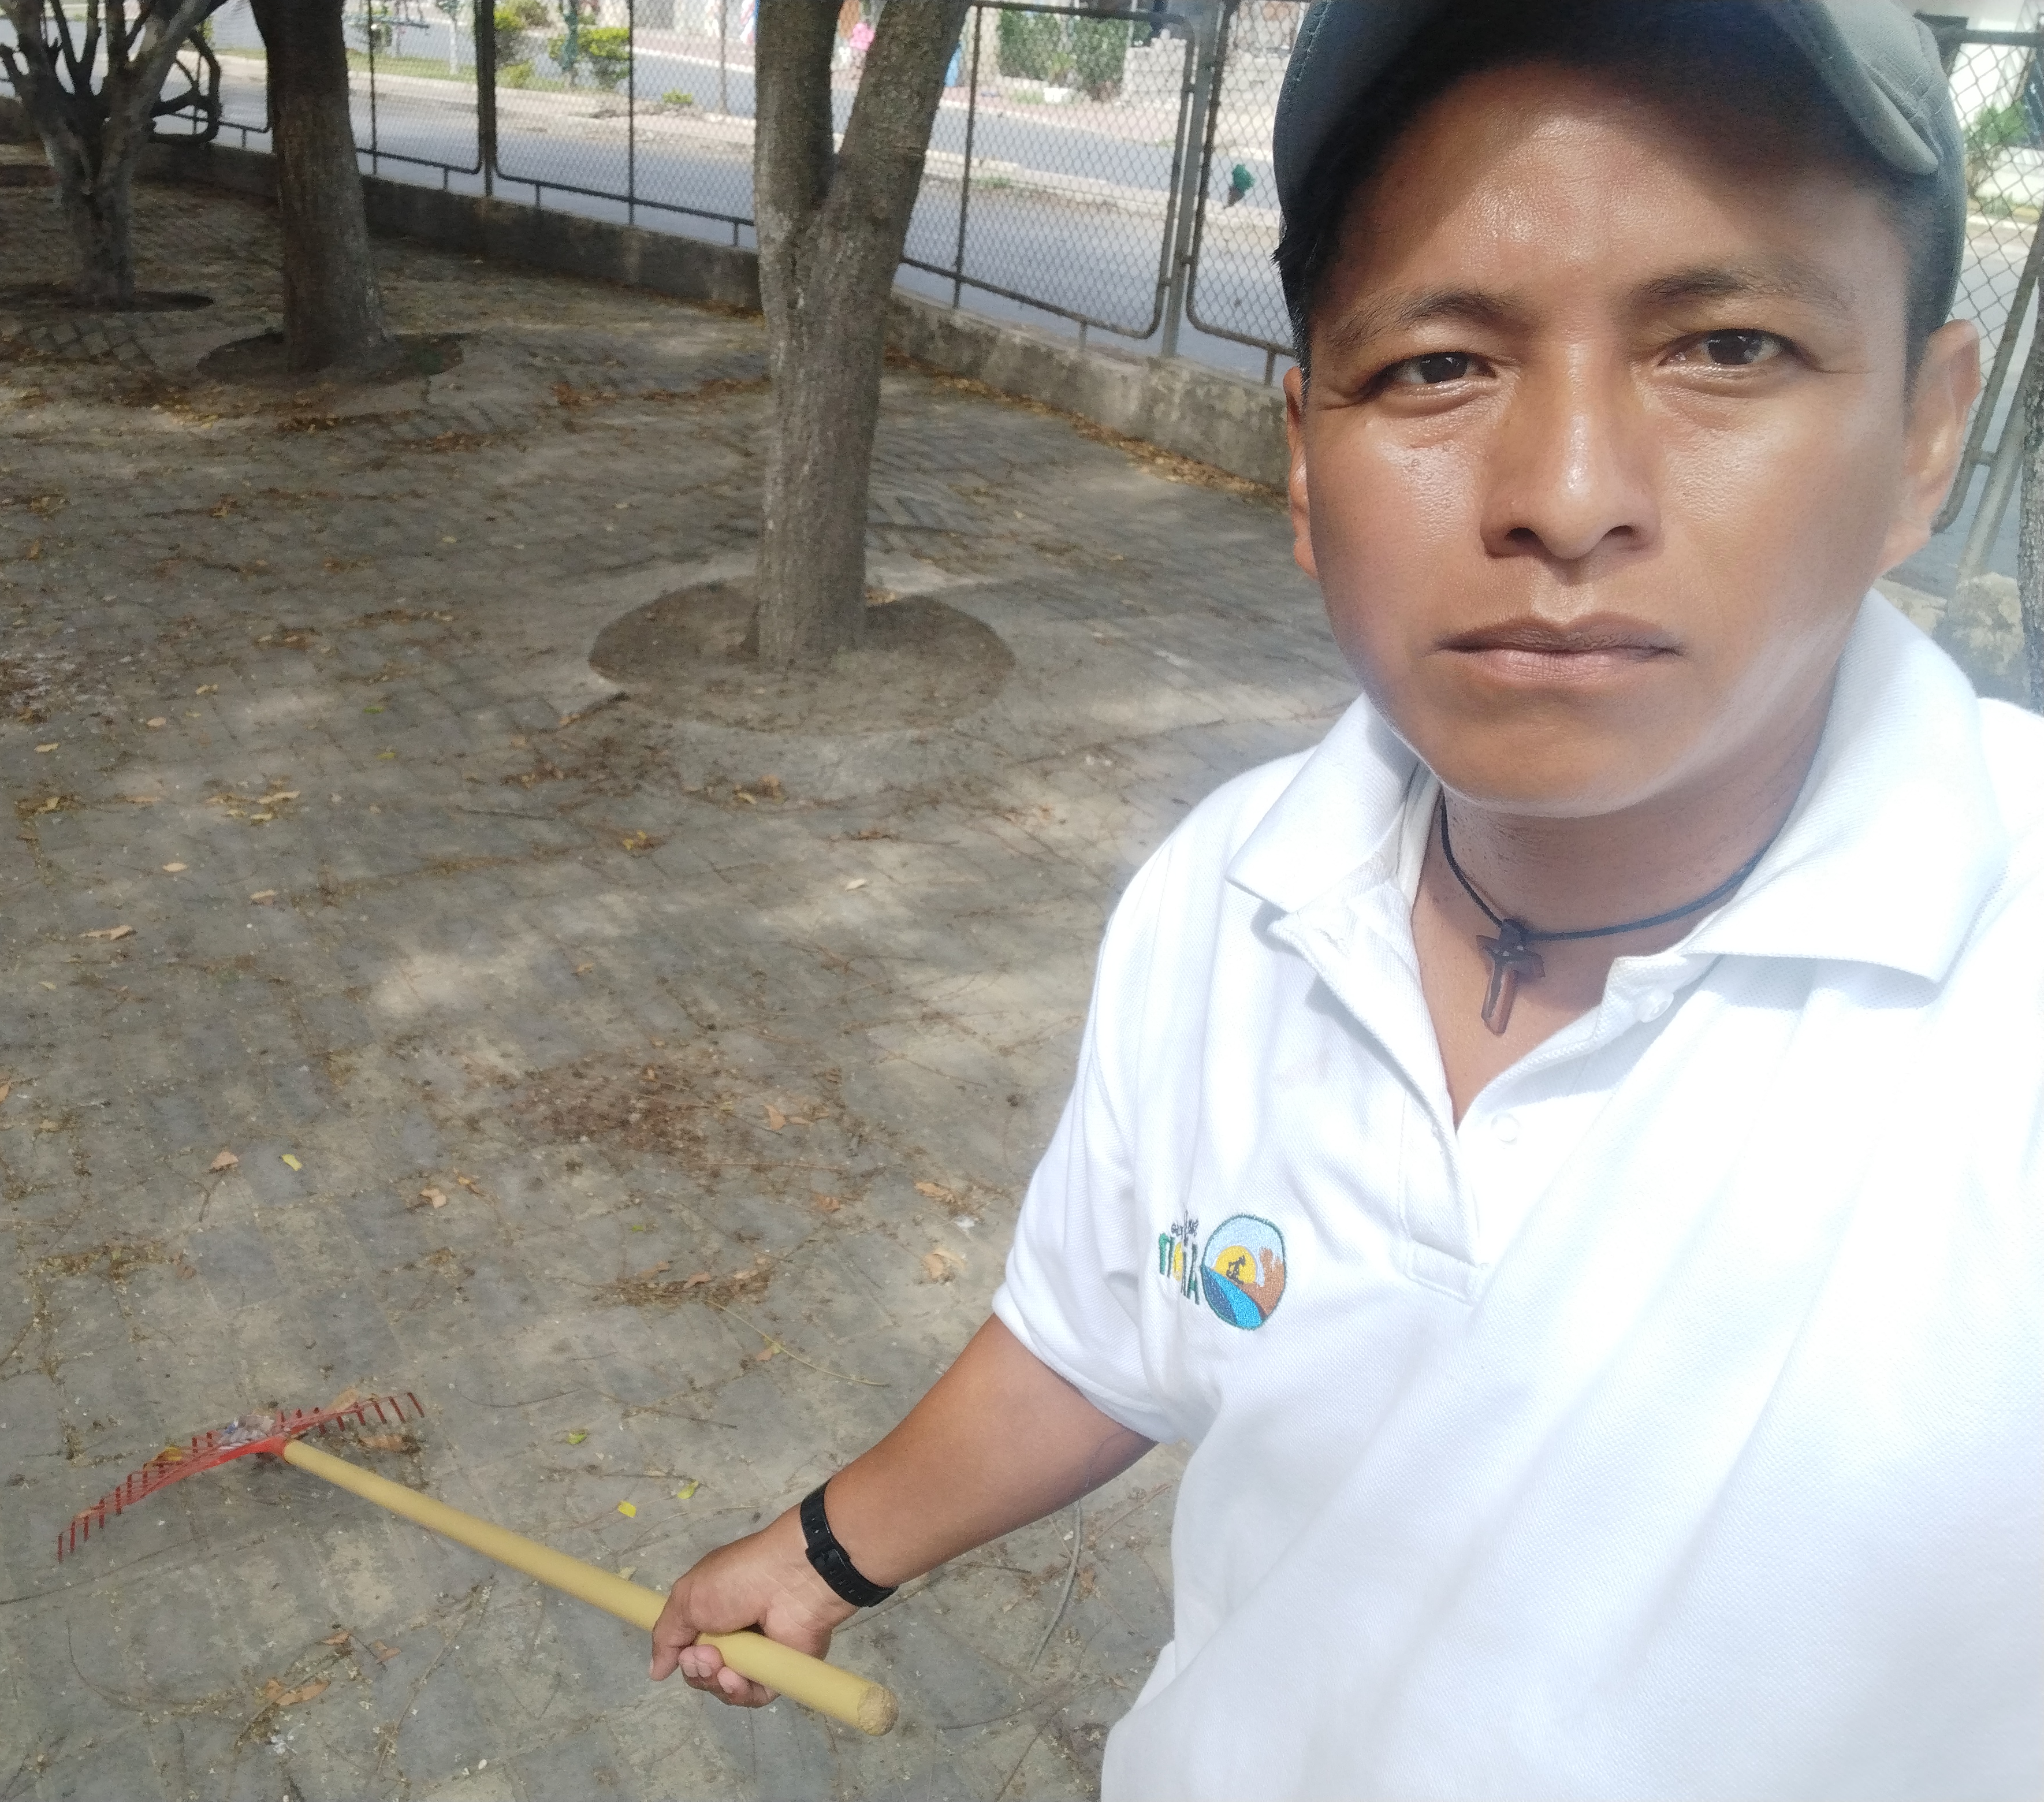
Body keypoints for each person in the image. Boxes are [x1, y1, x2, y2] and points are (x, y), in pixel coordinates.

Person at [651, 2, 2044, 1795]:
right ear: (1306, 462)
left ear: (1927, 435)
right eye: (1440, 366)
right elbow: (1119, 1324)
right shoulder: (1237, 898)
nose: (1566, 499)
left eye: (1727, 345)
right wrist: (825, 1552)